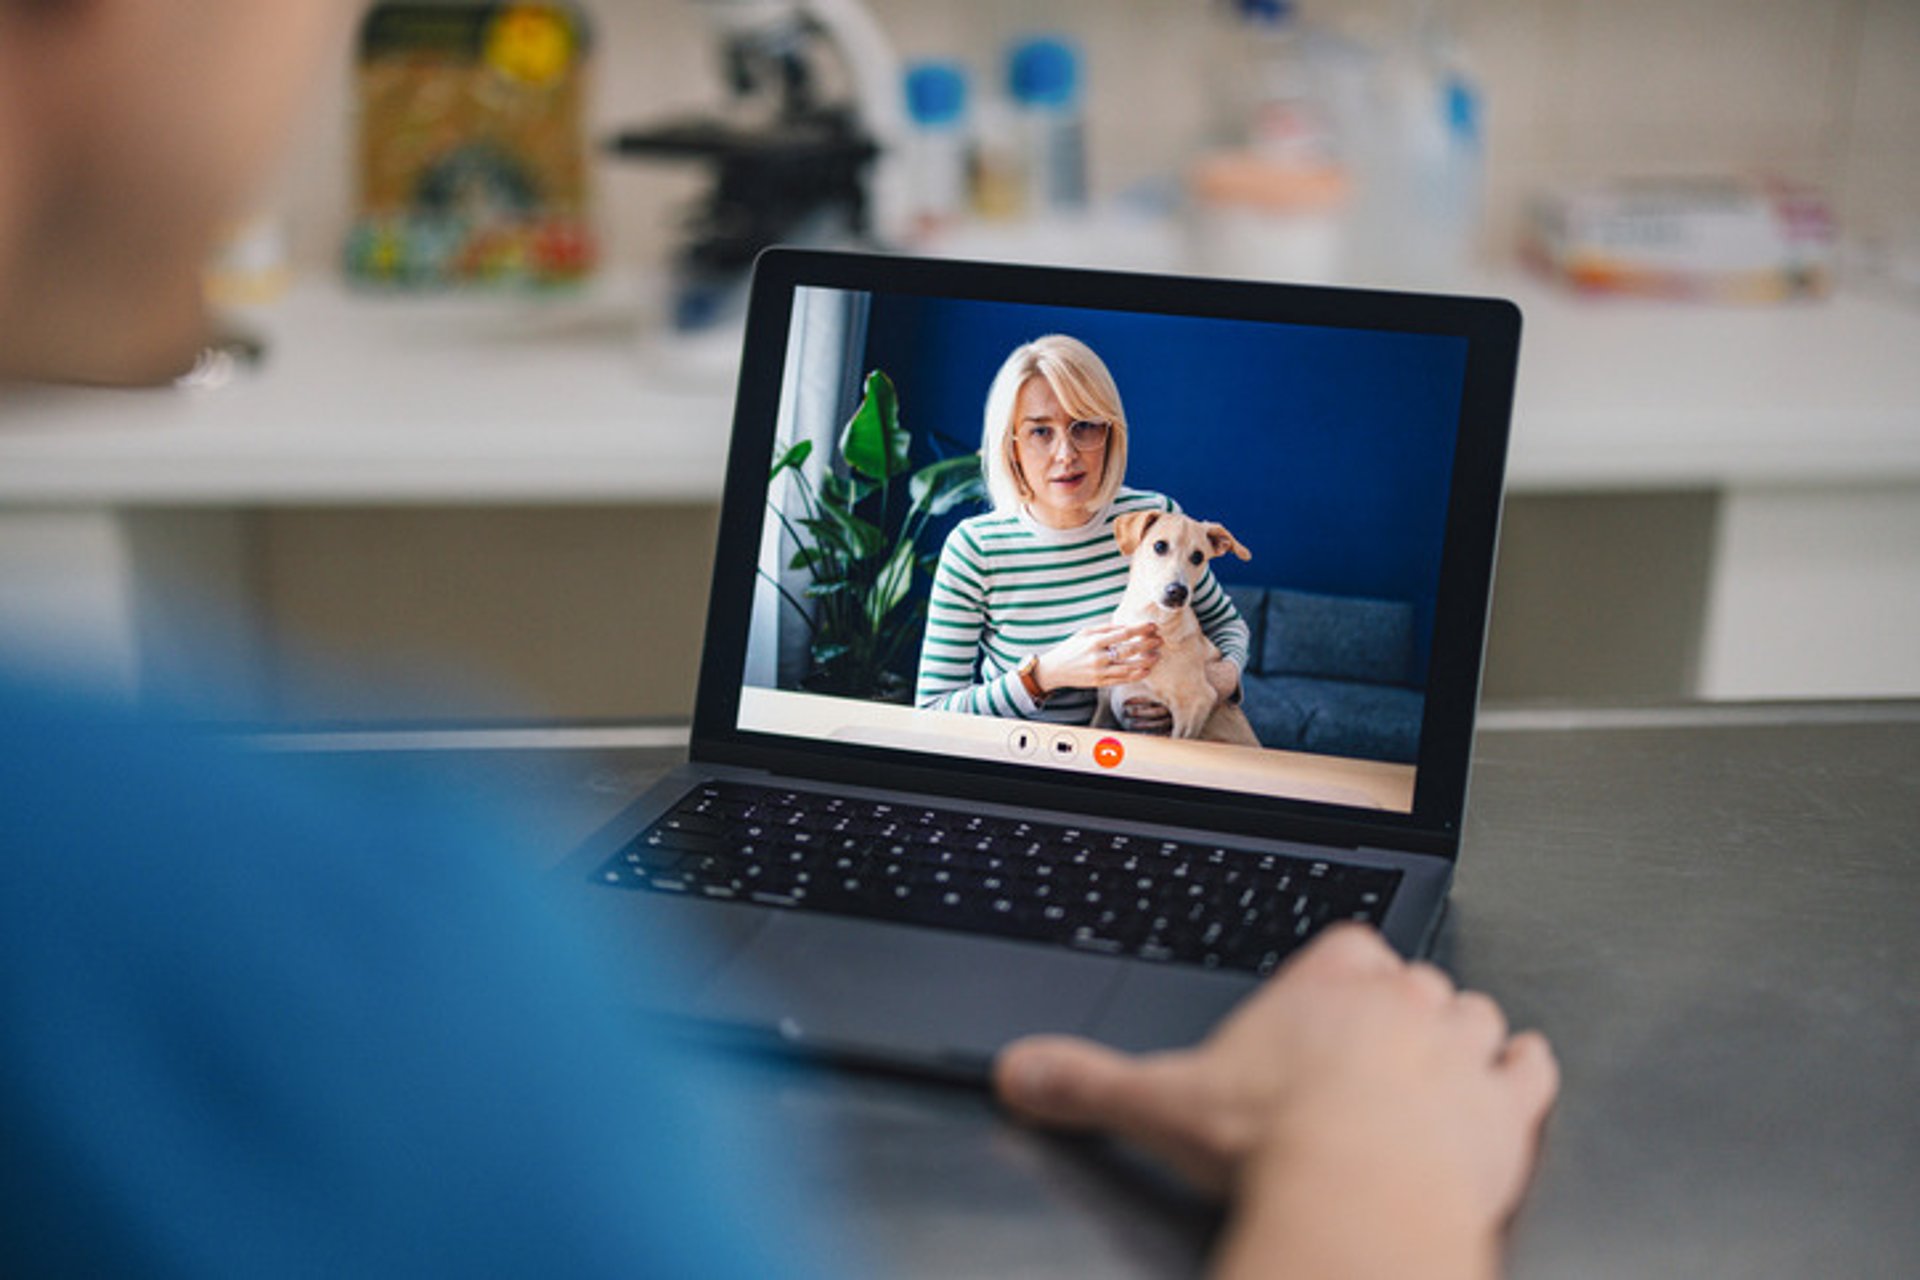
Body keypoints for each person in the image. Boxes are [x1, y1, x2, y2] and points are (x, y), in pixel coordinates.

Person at [0, 3, 1558, 1276]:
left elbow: (1222, 639)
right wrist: (1041, 678)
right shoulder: (394, 947)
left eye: (1092, 436)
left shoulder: (1170, 517)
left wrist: (1202, 675)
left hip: (1208, 783)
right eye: (1045, 436)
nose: (1074, 461)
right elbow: (945, 700)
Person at [916, 334, 1250, 734]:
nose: (1066, 454)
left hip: (1138, 765)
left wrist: (1206, 686)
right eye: (1041, 432)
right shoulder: (975, 549)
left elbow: (1227, 626)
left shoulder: (1156, 523)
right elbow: (933, 712)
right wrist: (1044, 675)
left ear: (1110, 434)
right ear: (1011, 446)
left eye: (1085, 426)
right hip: (1021, 767)